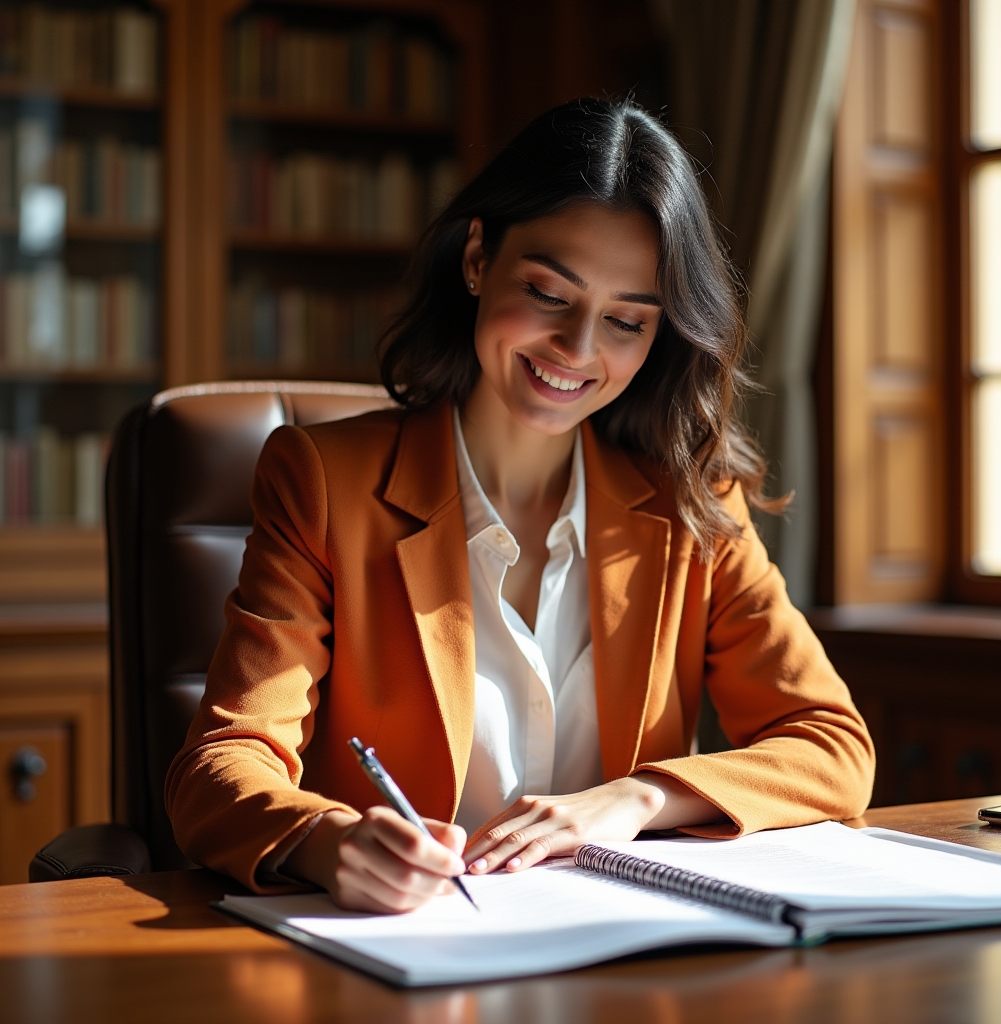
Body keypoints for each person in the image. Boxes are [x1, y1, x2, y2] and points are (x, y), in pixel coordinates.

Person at [166, 98, 874, 915]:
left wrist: (634, 799)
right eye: (546, 293)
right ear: (477, 259)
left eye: (626, 321)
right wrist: (327, 843)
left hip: (620, 958)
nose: (577, 351)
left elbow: (834, 747)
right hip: (399, 954)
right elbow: (218, 769)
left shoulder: (693, 507)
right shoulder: (326, 481)